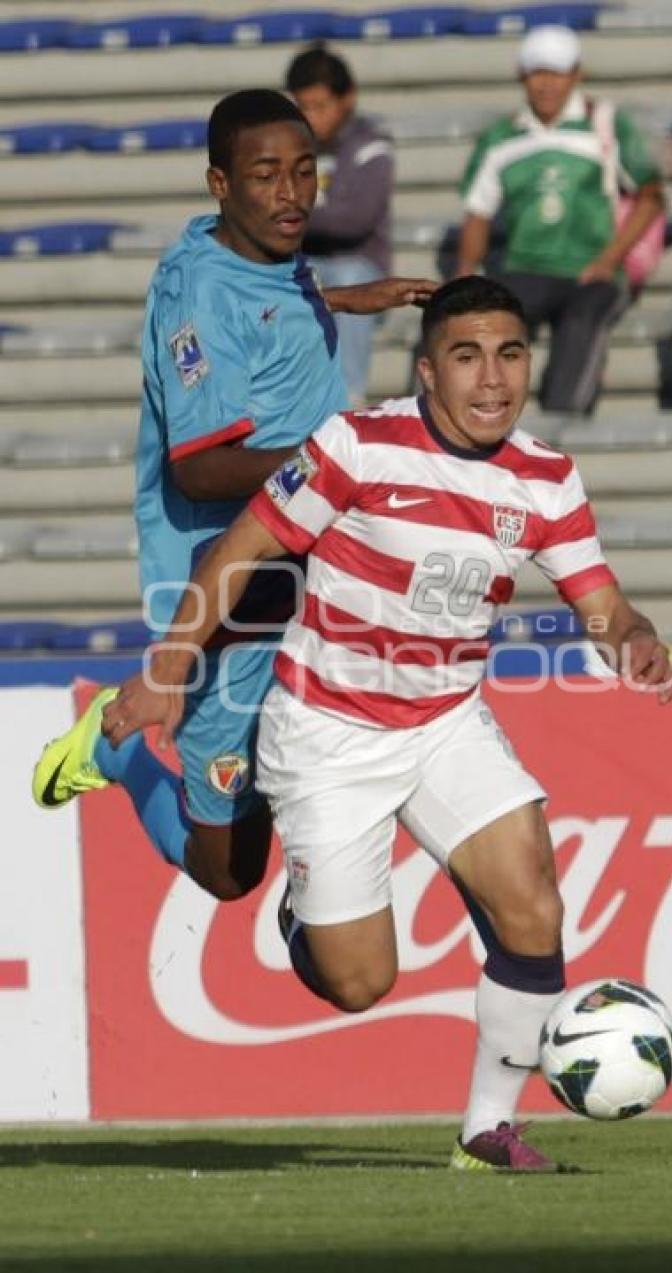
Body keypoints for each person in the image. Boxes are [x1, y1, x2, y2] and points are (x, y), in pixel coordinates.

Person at [102, 276, 672, 1172]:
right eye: (467, 356)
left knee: (532, 898)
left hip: (446, 720)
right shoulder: (358, 447)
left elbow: (601, 605)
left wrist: (633, 639)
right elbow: (242, 546)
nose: (493, 379)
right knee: (361, 982)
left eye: (511, 354)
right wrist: (167, 670)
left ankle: (488, 1131)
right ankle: (302, 903)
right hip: (328, 731)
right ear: (427, 371)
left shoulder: (547, 477)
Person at [32, 89, 434, 902]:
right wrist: (344, 454)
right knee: (230, 871)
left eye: (303, 171)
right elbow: (202, 467)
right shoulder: (201, 298)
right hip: (227, 588)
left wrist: (348, 298)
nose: (291, 195)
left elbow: (271, 309)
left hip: (307, 561)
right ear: (220, 184)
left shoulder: (263, 255)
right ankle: (118, 752)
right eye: (265, 176)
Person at [455, 24, 664, 416]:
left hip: (591, 270)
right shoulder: (501, 137)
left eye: (557, 73)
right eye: (537, 73)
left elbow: (651, 198)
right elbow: (477, 213)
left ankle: (563, 426)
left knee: (582, 320)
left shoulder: (605, 124)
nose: (546, 85)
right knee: (479, 320)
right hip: (524, 268)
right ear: (522, 75)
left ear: (576, 75)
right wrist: (465, 273)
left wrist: (609, 260)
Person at [285, 43, 394, 406]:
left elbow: (354, 220)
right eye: (303, 106)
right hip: (303, 265)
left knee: (350, 277)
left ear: (347, 99)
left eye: (320, 106)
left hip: (361, 267)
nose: (311, 116)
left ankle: (349, 397)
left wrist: (292, 214)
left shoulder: (372, 146)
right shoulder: (286, 146)